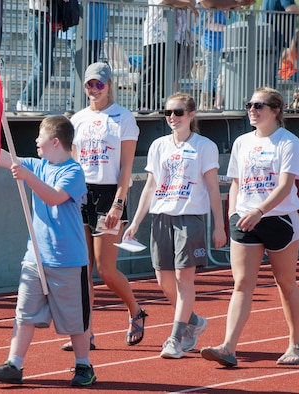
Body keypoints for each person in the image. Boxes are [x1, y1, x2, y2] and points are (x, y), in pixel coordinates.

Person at [0, 115, 96, 387]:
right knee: (24, 313)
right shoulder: (39, 165)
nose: (35, 141)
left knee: (75, 319)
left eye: (40, 136)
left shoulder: (73, 171)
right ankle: (15, 363)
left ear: (55, 142)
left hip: (67, 259)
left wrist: (28, 177)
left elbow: (54, 196)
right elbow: (5, 157)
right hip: (35, 257)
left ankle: (84, 366)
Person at [201, 87, 299, 367]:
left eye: (259, 106)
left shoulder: (288, 142)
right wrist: (233, 214)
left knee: (285, 283)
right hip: (246, 220)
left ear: (275, 110)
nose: (252, 110)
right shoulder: (242, 142)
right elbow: (236, 182)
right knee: (241, 284)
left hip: (279, 219)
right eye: (250, 104)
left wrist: (261, 210)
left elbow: (286, 186)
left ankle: (295, 344)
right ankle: (228, 347)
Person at [123, 92, 227, 359]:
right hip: (161, 217)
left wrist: (219, 226)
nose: (172, 117)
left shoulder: (205, 146)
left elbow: (214, 189)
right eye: (167, 112)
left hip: (190, 218)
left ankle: (175, 338)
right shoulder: (159, 145)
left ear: (191, 115)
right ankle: (193, 321)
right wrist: (135, 222)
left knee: (184, 280)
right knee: (163, 280)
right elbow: (150, 186)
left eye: (178, 112)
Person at [61, 62, 146, 352]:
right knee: (81, 269)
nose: (94, 89)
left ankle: (136, 310)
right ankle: (86, 332)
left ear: (109, 85)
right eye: (89, 84)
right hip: (81, 195)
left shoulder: (123, 118)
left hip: (109, 195)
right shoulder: (78, 119)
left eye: (99, 84)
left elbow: (125, 167)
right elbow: (73, 162)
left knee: (106, 270)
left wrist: (119, 203)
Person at [139, 0, 198, 111]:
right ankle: (144, 105)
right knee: (151, 71)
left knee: (168, 75)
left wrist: (185, 3)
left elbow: (192, 2)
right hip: (157, 36)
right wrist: (185, 3)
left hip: (177, 37)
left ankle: (159, 104)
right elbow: (164, 1)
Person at [16, 0, 59, 112]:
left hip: (49, 19)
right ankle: (26, 102)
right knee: (43, 65)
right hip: (38, 18)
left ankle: (28, 103)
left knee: (47, 65)